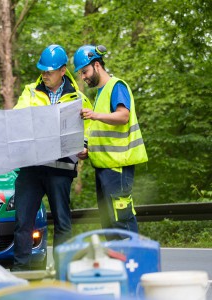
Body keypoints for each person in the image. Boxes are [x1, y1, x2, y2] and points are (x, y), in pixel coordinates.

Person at [12, 45, 93, 271]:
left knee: (62, 223)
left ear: (63, 71)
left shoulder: (78, 98)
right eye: (43, 70)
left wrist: (85, 147)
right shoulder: (30, 92)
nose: (45, 74)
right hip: (31, 168)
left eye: (50, 71)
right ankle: (21, 272)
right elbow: (17, 119)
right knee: (23, 222)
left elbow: (90, 128)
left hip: (61, 168)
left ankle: (63, 271)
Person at [73, 45, 148, 239]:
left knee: (120, 221)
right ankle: (118, 267)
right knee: (110, 225)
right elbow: (103, 130)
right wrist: (87, 149)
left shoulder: (116, 86)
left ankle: (134, 264)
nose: (83, 77)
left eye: (85, 71)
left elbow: (123, 116)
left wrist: (95, 115)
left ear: (97, 65)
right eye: (81, 73)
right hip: (105, 168)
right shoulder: (101, 94)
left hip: (118, 168)